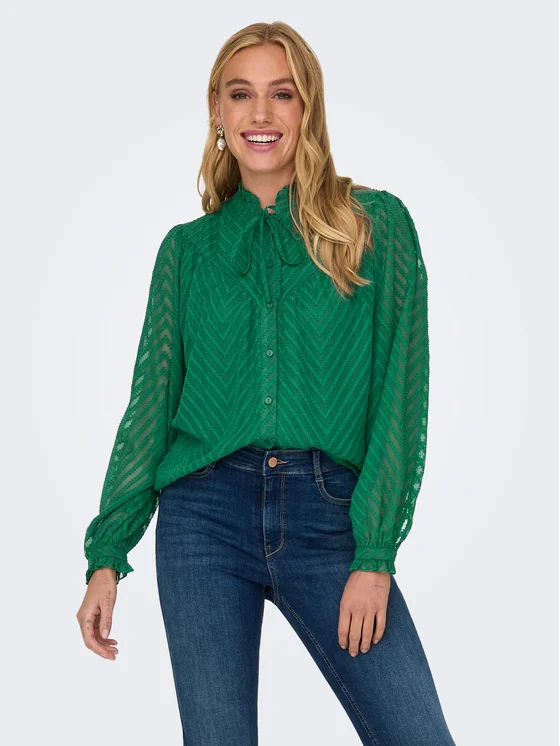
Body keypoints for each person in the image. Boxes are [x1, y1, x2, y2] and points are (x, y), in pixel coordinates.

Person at [76, 21, 456, 746]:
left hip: (331, 517)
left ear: (308, 107)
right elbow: (150, 406)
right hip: (202, 520)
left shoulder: (374, 225)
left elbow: (401, 393)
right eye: (240, 94)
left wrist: (375, 553)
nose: (260, 113)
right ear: (217, 111)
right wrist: (106, 557)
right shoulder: (187, 252)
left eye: (282, 94)